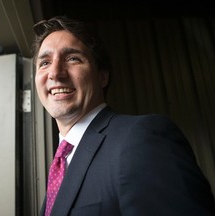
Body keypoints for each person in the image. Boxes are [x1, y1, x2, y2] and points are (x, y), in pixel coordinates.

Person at [31, 16, 215, 216]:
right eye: (45, 62)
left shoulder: (142, 137)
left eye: (72, 58)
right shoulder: (61, 163)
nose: (55, 73)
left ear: (102, 76)